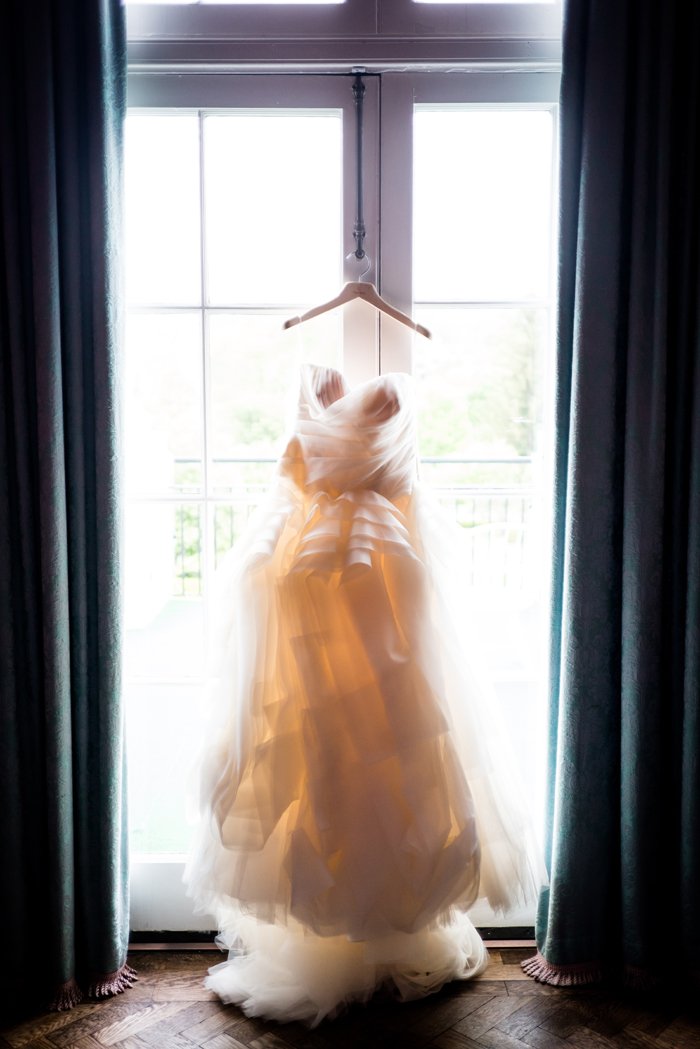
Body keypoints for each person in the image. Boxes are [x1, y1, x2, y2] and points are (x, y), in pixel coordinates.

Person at [184, 364, 545, 1026]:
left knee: (380, 755)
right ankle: (328, 938)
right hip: (316, 595)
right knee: (325, 760)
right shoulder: (321, 386)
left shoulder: (389, 397)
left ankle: (377, 932)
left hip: (372, 594)